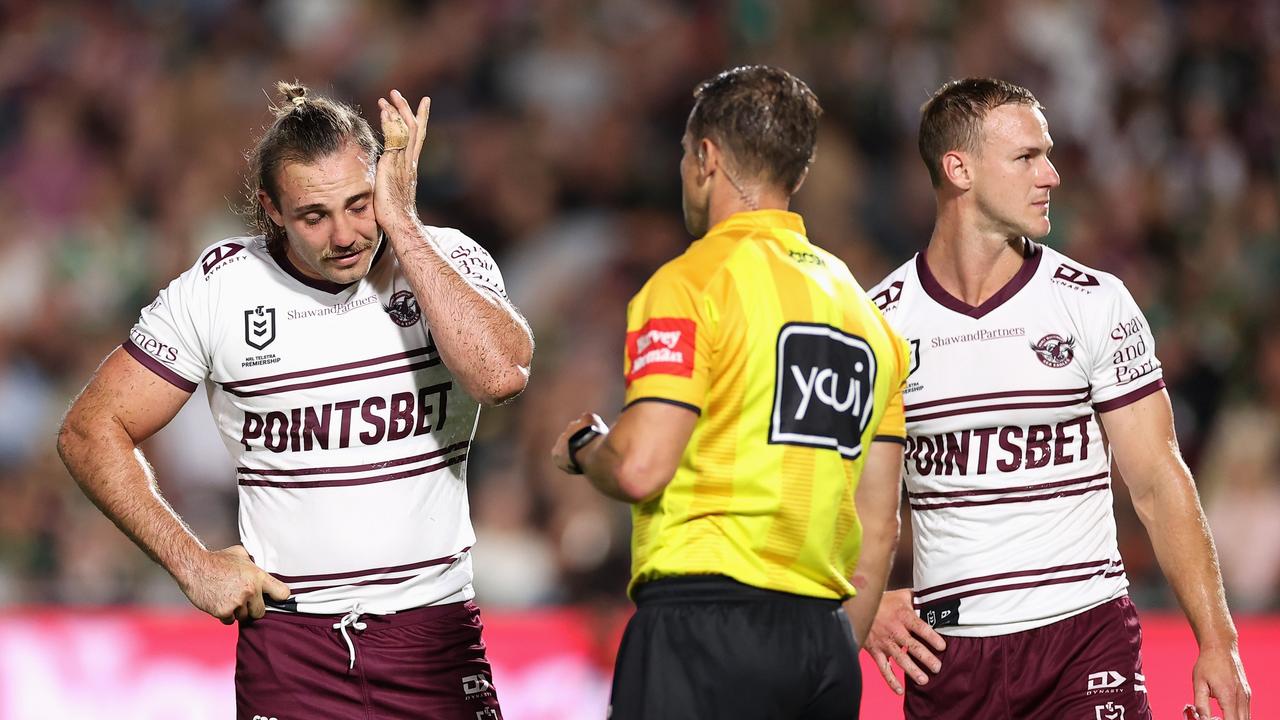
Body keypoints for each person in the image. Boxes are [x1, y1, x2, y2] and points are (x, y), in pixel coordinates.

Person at [56, 82, 532, 719]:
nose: (345, 235)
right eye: (315, 215)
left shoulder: (442, 258)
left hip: (433, 640)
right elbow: (91, 428)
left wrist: (403, 224)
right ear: (271, 210)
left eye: (360, 203)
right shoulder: (219, 290)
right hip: (292, 650)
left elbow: (499, 374)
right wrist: (192, 564)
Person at [864, 77, 1251, 720]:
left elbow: (1157, 480)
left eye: (1047, 153)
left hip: (1085, 638)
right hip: (949, 660)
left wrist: (1219, 641)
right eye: (1026, 157)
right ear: (957, 169)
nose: (1052, 174)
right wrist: (863, 595)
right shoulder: (878, 322)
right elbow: (833, 490)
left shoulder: (1093, 301)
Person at [550, 65, 909, 720]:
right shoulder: (870, 318)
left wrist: (582, 447)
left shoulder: (691, 283)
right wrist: (830, 652)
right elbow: (879, 525)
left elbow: (638, 466)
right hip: (822, 648)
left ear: (707, 158)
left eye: (686, 154)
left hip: (703, 630)